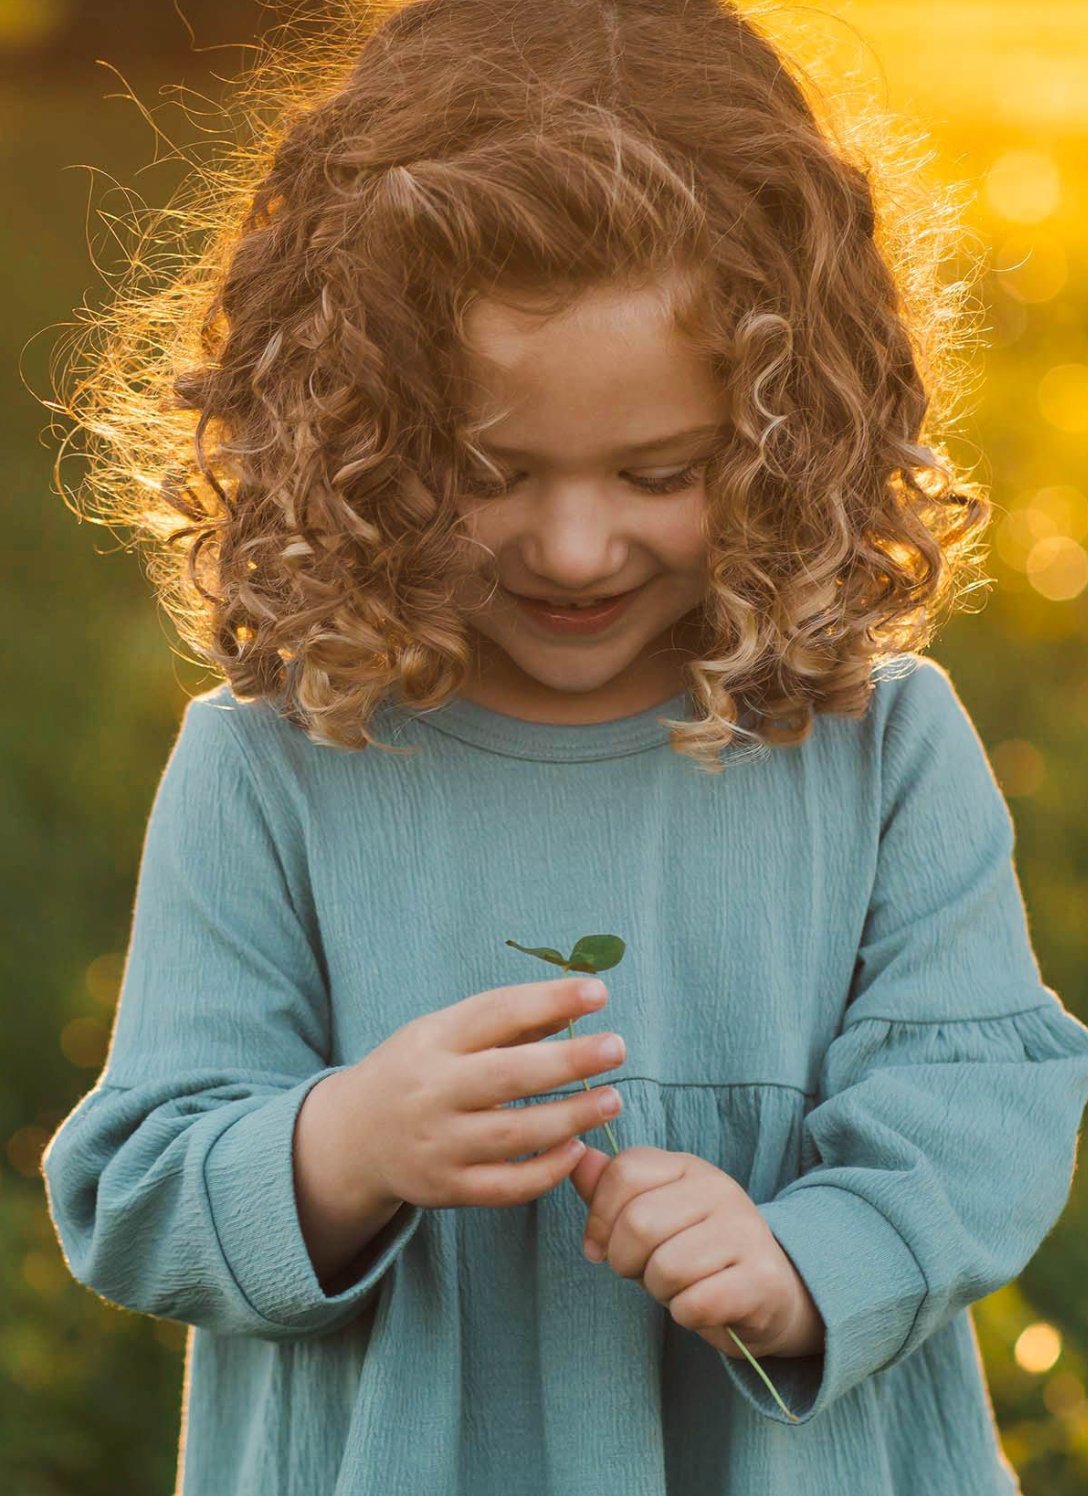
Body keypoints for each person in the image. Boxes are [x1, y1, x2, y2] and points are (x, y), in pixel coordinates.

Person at [39, 2, 1088, 1492]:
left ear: (788, 435)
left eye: (660, 473)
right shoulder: (277, 764)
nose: (577, 546)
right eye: (490, 471)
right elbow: (136, 1186)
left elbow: (983, 1093)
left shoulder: (877, 746)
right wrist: (342, 1146)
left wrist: (802, 1262)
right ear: (359, 430)